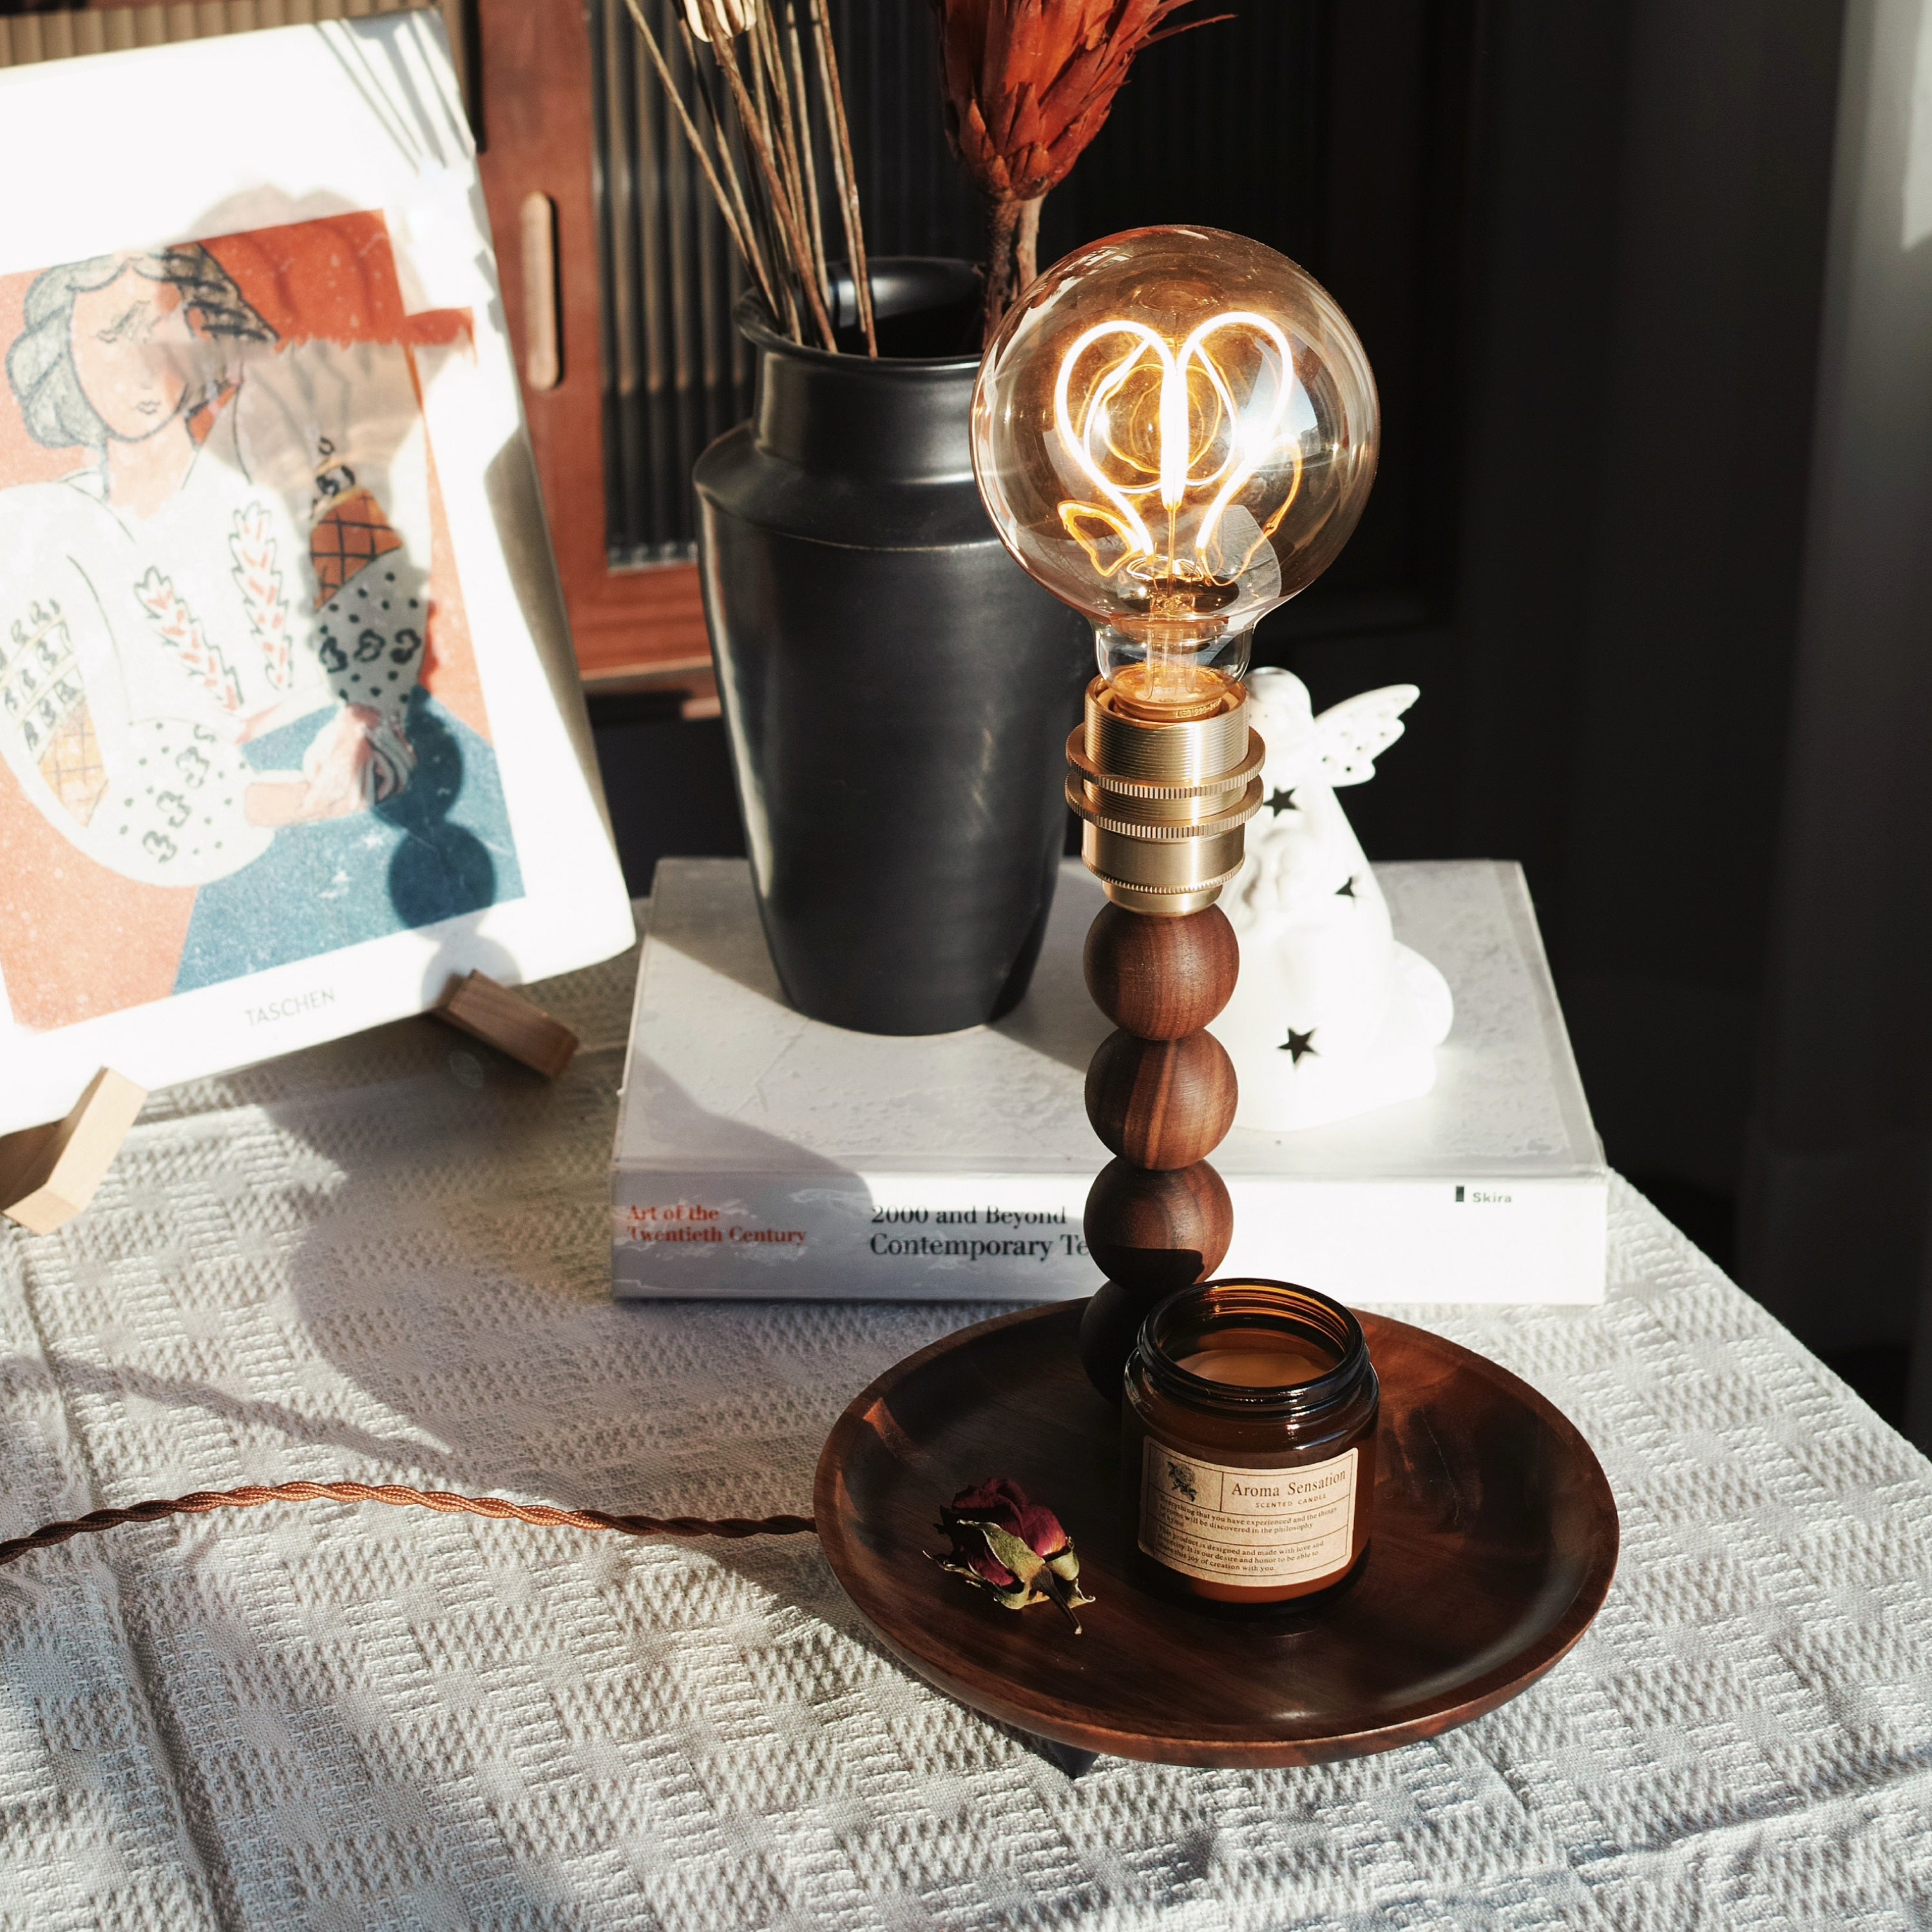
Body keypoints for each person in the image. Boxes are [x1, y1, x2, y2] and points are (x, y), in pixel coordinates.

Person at [0, 240, 519, 991]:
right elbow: (91, 779)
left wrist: (371, 713)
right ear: (60, 356)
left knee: (500, 951)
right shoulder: (38, 537)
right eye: (113, 334)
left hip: (401, 775)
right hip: (237, 873)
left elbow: (375, 581)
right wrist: (288, 801)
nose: (146, 360)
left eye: (163, 323)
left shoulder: (279, 439)